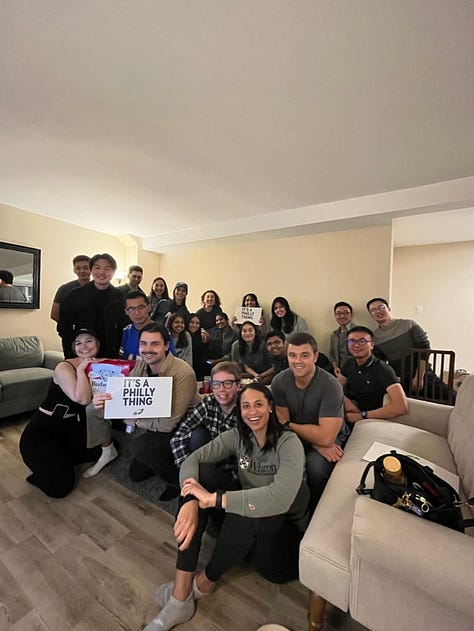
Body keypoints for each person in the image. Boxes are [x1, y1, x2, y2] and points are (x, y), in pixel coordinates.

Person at [143, 383, 309, 631]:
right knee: (203, 475)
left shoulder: (289, 442)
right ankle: (181, 592)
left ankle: (204, 582)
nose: (252, 411)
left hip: (281, 544)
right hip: (245, 529)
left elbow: (280, 499)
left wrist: (215, 499)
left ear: (270, 407)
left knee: (247, 506)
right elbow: (193, 459)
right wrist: (190, 499)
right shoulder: (237, 436)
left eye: (259, 404)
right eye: (245, 406)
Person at [93, 324, 199, 487]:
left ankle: (180, 482)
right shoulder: (142, 365)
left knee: (143, 447)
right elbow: (124, 399)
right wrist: (103, 401)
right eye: (143, 343)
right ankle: (165, 460)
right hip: (156, 419)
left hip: (184, 426)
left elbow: (167, 425)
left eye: (155, 344)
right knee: (136, 474)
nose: (148, 349)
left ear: (166, 346)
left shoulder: (183, 372)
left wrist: (135, 420)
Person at [19, 329, 103, 498]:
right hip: (42, 432)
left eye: (89, 341)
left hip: (69, 429)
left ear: (98, 344)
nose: (84, 346)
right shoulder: (64, 367)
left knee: (100, 450)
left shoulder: (100, 365)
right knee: (60, 488)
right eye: (78, 343)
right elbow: (82, 399)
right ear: (73, 348)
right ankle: (40, 473)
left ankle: (57, 461)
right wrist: (81, 370)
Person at [271, 332, 348, 511]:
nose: (297, 361)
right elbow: (281, 425)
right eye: (292, 355)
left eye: (304, 355)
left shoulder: (330, 385)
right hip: (298, 436)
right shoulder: (279, 381)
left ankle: (316, 512)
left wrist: (290, 425)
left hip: (332, 436)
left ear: (315, 357)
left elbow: (327, 438)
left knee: (316, 466)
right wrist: (315, 443)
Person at [171, 361, 241, 469]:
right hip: (209, 464)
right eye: (216, 384)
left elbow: (254, 452)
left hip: (237, 469)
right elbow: (179, 435)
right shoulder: (208, 403)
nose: (221, 389)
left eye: (227, 383)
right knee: (198, 435)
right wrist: (186, 468)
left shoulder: (247, 408)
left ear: (238, 386)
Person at [58, 253, 127, 358]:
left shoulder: (120, 297)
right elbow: (64, 328)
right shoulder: (75, 296)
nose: (102, 272)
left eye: (107, 269)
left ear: (113, 272)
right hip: (83, 354)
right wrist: (71, 356)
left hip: (110, 354)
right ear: (91, 270)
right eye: (97, 268)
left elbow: (125, 328)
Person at [339, 326, 408, 423]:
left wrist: (362, 415)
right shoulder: (349, 363)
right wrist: (347, 402)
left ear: (371, 345)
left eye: (362, 341)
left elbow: (401, 407)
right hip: (353, 412)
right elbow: (335, 387)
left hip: (374, 419)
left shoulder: (382, 369)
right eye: (352, 341)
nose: (356, 345)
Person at [366, 297, 431, 393]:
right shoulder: (374, 337)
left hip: (423, 374)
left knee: (449, 396)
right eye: (373, 310)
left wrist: (419, 377)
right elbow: (381, 362)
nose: (378, 312)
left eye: (381, 307)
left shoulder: (408, 324)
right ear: (371, 315)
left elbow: (425, 350)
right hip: (399, 379)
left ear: (389, 308)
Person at [50, 255, 91, 324]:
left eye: (86, 268)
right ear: (74, 270)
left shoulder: (97, 288)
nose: (82, 271)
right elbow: (54, 314)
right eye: (78, 268)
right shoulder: (64, 289)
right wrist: (68, 326)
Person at [329, 301, 355, 377]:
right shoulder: (334, 335)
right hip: (340, 372)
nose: (342, 316)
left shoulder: (358, 332)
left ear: (351, 314)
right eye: (338, 313)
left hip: (356, 371)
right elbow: (332, 354)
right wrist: (335, 367)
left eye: (346, 313)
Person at [187, 313, 209, 379]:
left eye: (197, 323)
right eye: (192, 322)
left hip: (198, 372)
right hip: (185, 369)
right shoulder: (183, 336)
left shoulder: (201, 337)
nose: (194, 325)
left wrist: (205, 343)